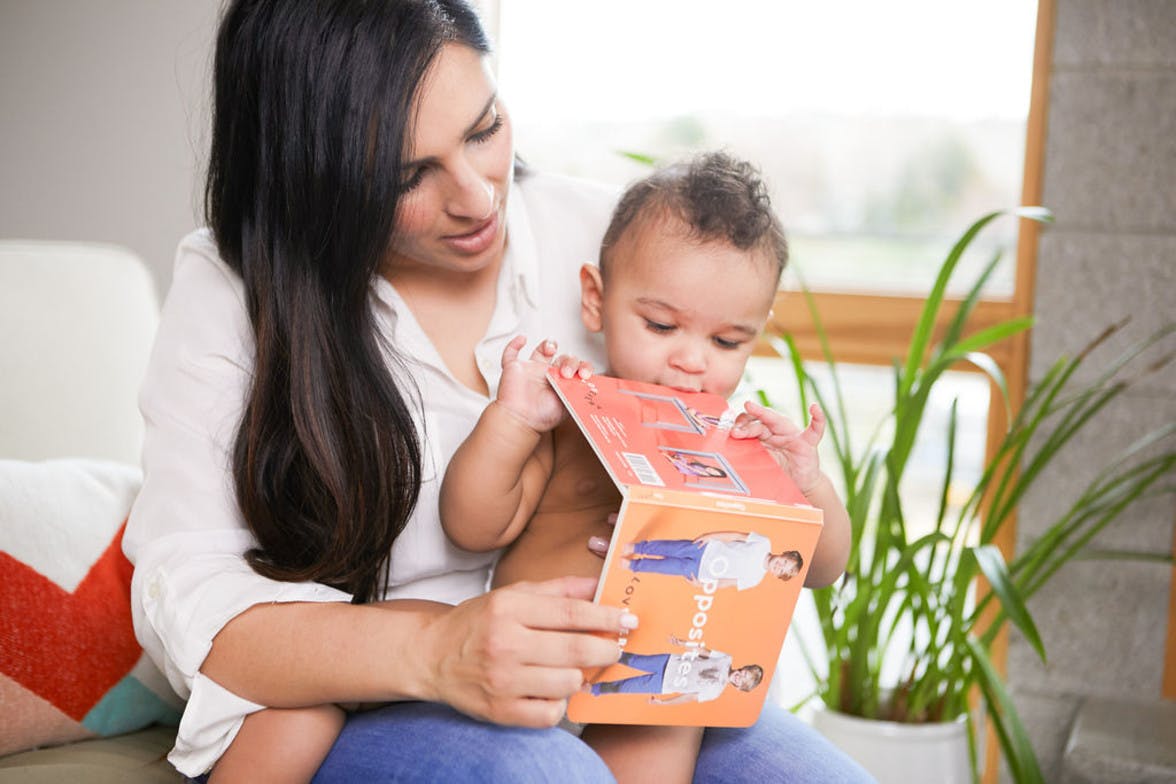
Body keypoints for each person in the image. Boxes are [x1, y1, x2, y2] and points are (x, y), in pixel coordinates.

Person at [122, 1, 873, 782]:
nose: (482, 199)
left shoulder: (622, 238)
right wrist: (438, 649)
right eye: (408, 174)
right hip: (382, 687)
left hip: (615, 672)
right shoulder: (237, 286)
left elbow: (783, 537)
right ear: (317, 180)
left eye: (483, 130)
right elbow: (191, 596)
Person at [440, 152, 858, 782]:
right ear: (595, 301)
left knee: (666, 726)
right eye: (662, 325)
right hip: (536, 673)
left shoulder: (737, 445)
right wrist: (515, 420)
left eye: (727, 341)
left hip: (652, 695)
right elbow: (471, 524)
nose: (692, 361)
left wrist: (807, 485)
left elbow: (821, 568)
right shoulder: (573, 414)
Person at [585, 636, 763, 706]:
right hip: (668, 662)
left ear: (739, 688)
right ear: (743, 668)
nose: (740, 677)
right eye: (744, 674)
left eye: (742, 682)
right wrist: (683, 644)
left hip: (664, 684)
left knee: (626, 687)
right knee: (632, 659)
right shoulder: (726, 660)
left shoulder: (715, 692)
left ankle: (593, 690)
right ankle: (599, 649)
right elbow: (704, 651)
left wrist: (665, 703)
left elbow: (689, 696)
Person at [621, 532, 805, 590]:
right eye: (785, 562)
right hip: (706, 549)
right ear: (784, 554)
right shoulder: (764, 543)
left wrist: (702, 585)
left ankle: (634, 565)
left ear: (776, 575)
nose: (780, 566)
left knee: (666, 567)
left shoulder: (755, 579)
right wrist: (710, 536)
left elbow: (725, 583)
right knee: (670, 547)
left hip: (701, 571)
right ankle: (637, 548)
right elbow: (734, 535)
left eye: (782, 571)